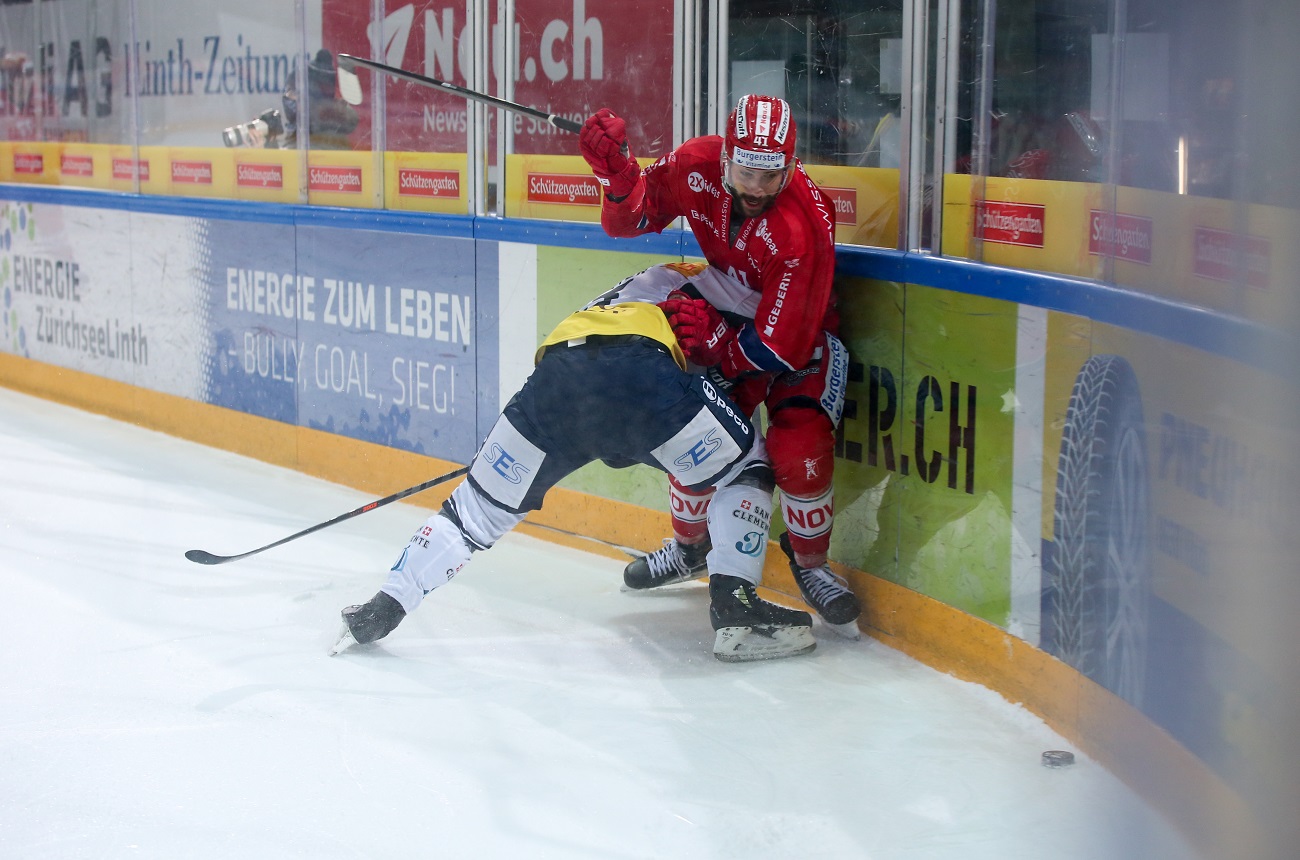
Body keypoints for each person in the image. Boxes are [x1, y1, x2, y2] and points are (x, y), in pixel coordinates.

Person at [330, 298, 816, 663]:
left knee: (471, 513)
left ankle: (383, 607)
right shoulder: (682, 307)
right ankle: (735, 605)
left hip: (557, 385)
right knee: (745, 463)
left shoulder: (604, 307)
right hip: (641, 375)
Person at [578, 94, 861, 638]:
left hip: (798, 330)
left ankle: (811, 564)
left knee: (797, 444)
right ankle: (690, 548)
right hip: (729, 299)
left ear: (791, 167)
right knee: (690, 420)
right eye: (745, 171)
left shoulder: (804, 225)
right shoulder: (695, 163)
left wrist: (718, 346)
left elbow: (784, 346)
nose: (756, 187)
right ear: (726, 155)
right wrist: (616, 174)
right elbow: (630, 219)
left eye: (770, 175)